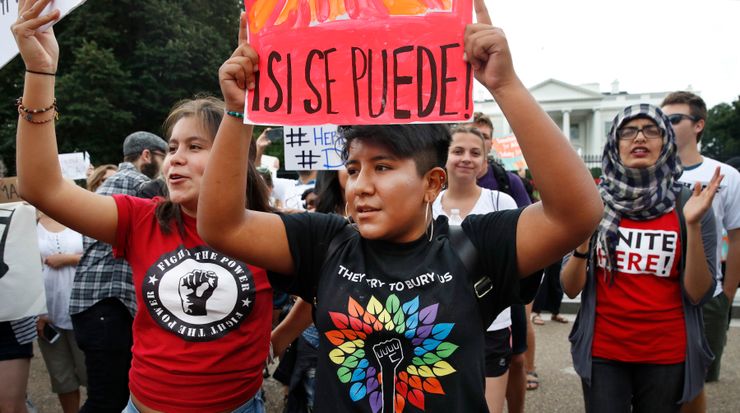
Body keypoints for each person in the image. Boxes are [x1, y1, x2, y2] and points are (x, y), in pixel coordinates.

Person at [198, 1, 603, 411]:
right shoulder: (325, 243)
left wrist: (506, 85)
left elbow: (577, 213)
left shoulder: (477, 249)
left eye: (383, 167)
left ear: (432, 183)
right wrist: (237, 112)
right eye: (353, 169)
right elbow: (221, 227)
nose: (361, 186)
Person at [12, 4, 274, 412]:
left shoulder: (270, 232)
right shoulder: (141, 219)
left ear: (233, 155)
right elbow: (40, 187)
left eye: (195, 147)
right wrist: (39, 72)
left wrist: (280, 337)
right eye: (172, 148)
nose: (175, 160)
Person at [561, 104, 721, 412]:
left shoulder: (689, 203)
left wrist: (693, 224)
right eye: (628, 132)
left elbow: (698, 292)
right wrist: (583, 242)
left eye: (651, 130)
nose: (639, 138)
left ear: (665, 143)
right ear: (614, 144)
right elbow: (569, 288)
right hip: (604, 351)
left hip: (667, 353)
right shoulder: (594, 204)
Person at [432, 125, 518, 413]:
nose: (465, 158)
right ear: (444, 157)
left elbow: (517, 263)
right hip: (436, 326)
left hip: (491, 326)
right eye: (457, 151)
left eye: (474, 153)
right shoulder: (426, 204)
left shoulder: (501, 202)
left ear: (485, 161)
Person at [470, 112, 537, 401]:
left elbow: (530, 231)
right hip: (465, 293)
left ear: (491, 142)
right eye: (472, 135)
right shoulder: (442, 181)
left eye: (483, 137)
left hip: (506, 291)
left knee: (517, 359)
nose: (477, 142)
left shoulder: (507, 183)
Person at [36, 212, 87, 413]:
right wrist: (37, 312)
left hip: (83, 311)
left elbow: (103, 255)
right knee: (61, 377)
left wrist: (69, 259)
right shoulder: (31, 223)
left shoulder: (80, 218)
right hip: (47, 315)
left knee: (92, 374)